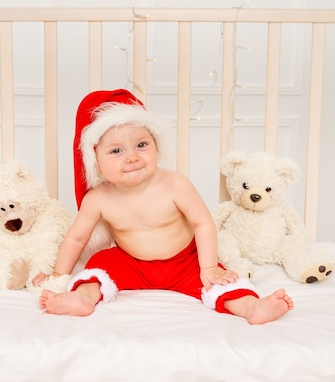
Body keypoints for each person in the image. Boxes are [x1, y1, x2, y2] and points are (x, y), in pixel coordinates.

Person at [33, 89, 293, 324]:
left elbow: (203, 223)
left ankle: (251, 307)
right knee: (99, 266)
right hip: (131, 263)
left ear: (156, 145)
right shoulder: (99, 198)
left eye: (141, 145)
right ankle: (82, 299)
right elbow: (77, 239)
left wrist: (209, 267)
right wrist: (58, 275)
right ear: (96, 163)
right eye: (116, 151)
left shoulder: (175, 184)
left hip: (185, 262)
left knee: (221, 282)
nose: (132, 157)